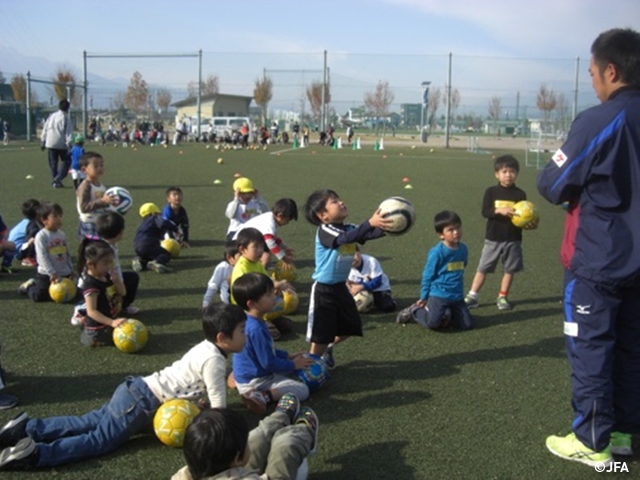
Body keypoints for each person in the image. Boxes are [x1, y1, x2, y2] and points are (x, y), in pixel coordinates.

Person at [537, 28, 640, 467]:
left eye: (594, 72)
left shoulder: (600, 120)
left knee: (592, 347)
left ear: (610, 71)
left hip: (599, 260)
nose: (593, 80)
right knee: (632, 347)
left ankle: (593, 441)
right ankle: (624, 436)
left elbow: (552, 183)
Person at [0, 303, 247, 470]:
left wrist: (195, 403)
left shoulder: (204, 348)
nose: (246, 336)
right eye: (242, 331)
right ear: (222, 338)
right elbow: (219, 410)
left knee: (87, 421)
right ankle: (35, 454)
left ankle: (26, 427)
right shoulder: (214, 360)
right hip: (142, 404)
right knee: (99, 440)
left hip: (136, 390)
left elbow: (183, 381)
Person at [302, 189, 392, 368]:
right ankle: (311, 366)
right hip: (323, 290)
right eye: (334, 202)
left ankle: (327, 349)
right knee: (321, 333)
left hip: (341, 288)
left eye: (339, 199)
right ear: (323, 215)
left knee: (350, 326)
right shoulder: (325, 230)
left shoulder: (349, 228)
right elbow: (346, 238)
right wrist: (369, 223)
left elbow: (365, 234)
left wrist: (389, 225)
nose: (341, 202)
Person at [172, 396, 319, 480]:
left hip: (233, 471)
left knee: (257, 437)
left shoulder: (188, 473)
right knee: (285, 445)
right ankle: (303, 432)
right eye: (244, 445)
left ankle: (280, 417)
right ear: (237, 459)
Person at [231, 273, 313, 416]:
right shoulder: (256, 329)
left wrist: (288, 356)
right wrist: (293, 364)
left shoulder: (250, 320)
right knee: (302, 390)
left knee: (293, 367)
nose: (274, 296)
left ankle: (238, 381)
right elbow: (268, 363)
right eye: (269, 295)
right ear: (252, 304)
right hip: (257, 379)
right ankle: (261, 396)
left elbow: (267, 351)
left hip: (248, 374)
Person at [464, 155, 535, 311]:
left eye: (512, 171)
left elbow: (524, 216)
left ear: (517, 173)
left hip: (514, 238)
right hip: (493, 238)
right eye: (504, 171)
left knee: (509, 269)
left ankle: (502, 296)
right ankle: (473, 295)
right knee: (483, 268)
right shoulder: (491, 191)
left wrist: (529, 224)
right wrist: (498, 210)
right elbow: (485, 212)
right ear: (497, 174)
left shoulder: (520, 194)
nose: (508, 175)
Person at [396, 211, 474, 331]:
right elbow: (428, 275)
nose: (456, 232)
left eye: (458, 227)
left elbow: (463, 266)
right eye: (451, 230)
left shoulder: (463, 249)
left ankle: (447, 312)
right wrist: (424, 297)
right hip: (439, 295)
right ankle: (415, 311)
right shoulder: (437, 252)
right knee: (432, 324)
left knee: (467, 325)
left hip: (456, 295)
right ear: (441, 235)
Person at [230, 228, 292, 340]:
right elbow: (251, 292)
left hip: (259, 304)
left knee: (286, 326)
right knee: (269, 334)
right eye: (256, 247)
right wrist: (275, 286)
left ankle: (269, 319)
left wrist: (276, 285)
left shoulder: (256, 263)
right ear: (243, 249)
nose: (260, 251)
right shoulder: (241, 268)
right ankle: (260, 323)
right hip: (247, 311)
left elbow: (266, 279)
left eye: (262, 246)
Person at [75, 238, 127, 347]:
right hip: (97, 328)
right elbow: (92, 311)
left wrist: (117, 281)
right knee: (110, 339)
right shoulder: (91, 285)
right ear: (90, 264)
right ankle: (85, 330)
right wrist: (112, 323)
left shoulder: (106, 276)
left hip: (109, 320)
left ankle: (83, 319)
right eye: (105, 263)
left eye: (110, 262)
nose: (109, 267)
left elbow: (123, 293)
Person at [18, 203, 74, 302]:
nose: (59, 219)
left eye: (60, 216)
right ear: (44, 220)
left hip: (63, 272)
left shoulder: (62, 234)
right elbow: (42, 256)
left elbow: (66, 253)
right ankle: (29, 286)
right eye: (55, 216)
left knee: (73, 293)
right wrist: (51, 272)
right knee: (39, 296)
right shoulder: (41, 236)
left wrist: (70, 269)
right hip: (47, 274)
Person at [233, 198, 297, 270]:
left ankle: (258, 270)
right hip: (238, 246)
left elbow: (274, 238)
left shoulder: (270, 218)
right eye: (288, 220)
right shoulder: (269, 223)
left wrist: (285, 248)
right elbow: (271, 243)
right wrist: (284, 258)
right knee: (266, 256)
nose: (287, 223)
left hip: (245, 243)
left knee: (266, 249)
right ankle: (258, 276)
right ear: (280, 215)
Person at [96, 211, 139, 315]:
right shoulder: (103, 249)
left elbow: (116, 269)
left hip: (111, 279)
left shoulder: (111, 245)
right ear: (120, 233)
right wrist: (119, 286)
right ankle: (84, 309)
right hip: (100, 283)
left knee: (132, 278)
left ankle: (123, 306)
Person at [76, 151, 118, 239]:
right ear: (84, 170)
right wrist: (102, 200)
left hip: (100, 222)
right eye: (95, 166)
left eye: (101, 165)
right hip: (89, 223)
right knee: (93, 250)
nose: (100, 168)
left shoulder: (101, 186)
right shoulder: (85, 186)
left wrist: (112, 205)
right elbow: (84, 207)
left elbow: (103, 204)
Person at [132, 202, 178, 274]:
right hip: (148, 243)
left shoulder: (142, 224)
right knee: (165, 255)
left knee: (148, 256)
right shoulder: (154, 218)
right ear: (153, 213)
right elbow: (163, 223)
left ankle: (139, 260)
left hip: (136, 246)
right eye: (158, 214)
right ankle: (156, 262)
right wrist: (175, 228)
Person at [347, 247, 396, 312]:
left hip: (379, 289)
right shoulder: (345, 265)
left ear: (359, 252)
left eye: (353, 254)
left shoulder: (371, 261)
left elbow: (377, 282)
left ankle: (386, 298)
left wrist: (361, 287)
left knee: (387, 306)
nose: (352, 259)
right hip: (361, 291)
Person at [40, 99, 73, 188]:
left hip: (50, 143)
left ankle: (55, 181)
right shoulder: (66, 118)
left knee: (53, 164)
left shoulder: (51, 116)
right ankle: (57, 179)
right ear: (68, 108)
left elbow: (45, 128)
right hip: (61, 144)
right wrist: (69, 144)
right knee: (67, 161)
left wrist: (43, 140)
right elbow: (68, 133)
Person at [225, 177, 269, 241]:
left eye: (249, 193)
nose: (247, 196)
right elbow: (230, 215)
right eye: (243, 193)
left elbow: (266, 213)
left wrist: (258, 198)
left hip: (251, 231)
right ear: (236, 193)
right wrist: (236, 199)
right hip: (235, 231)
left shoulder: (255, 203)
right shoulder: (233, 204)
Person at [2, 199, 40, 271]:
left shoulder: (25, 222)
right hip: (19, 252)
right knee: (36, 239)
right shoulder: (32, 225)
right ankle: (28, 258)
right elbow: (29, 239)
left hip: (13, 251)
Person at [202, 240, 240, 308]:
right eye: (240, 256)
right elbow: (213, 285)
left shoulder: (248, 266)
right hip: (228, 305)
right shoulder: (223, 267)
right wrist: (206, 302)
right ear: (230, 258)